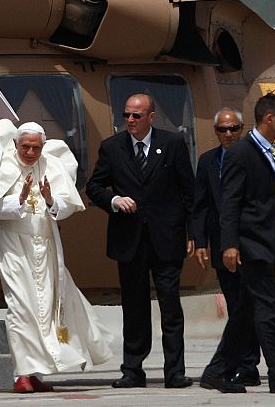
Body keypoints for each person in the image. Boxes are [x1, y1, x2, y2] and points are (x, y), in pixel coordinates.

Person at [0, 119, 113, 393]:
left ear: (43, 146)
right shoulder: (2, 165)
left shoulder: (51, 165)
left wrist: (49, 200)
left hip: (44, 243)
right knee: (20, 306)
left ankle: (33, 371)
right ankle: (21, 374)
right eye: (25, 147)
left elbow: (67, 206)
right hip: (11, 242)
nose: (30, 153)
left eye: (35, 148)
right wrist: (17, 201)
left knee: (43, 308)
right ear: (16, 144)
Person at [199, 94, 275, 394]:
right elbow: (230, 204)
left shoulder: (271, 151)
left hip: (268, 242)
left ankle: (216, 372)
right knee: (268, 309)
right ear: (270, 119)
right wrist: (230, 245)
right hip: (250, 244)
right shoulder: (241, 153)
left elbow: (265, 197)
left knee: (246, 314)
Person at [86, 93, 194, 389]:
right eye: (127, 115)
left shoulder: (172, 145)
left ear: (151, 117)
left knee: (171, 307)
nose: (130, 121)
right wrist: (114, 199)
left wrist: (193, 234)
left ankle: (175, 371)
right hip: (130, 240)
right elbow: (93, 186)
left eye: (136, 115)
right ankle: (132, 370)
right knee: (134, 308)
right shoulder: (112, 147)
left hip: (166, 238)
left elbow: (189, 191)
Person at [190, 107, 261, 386]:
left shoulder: (254, 157)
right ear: (216, 131)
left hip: (250, 244)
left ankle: (251, 364)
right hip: (222, 246)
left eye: (233, 129)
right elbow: (201, 204)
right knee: (235, 306)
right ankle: (243, 363)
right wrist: (200, 241)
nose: (228, 134)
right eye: (222, 130)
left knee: (252, 307)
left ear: (242, 129)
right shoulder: (208, 161)